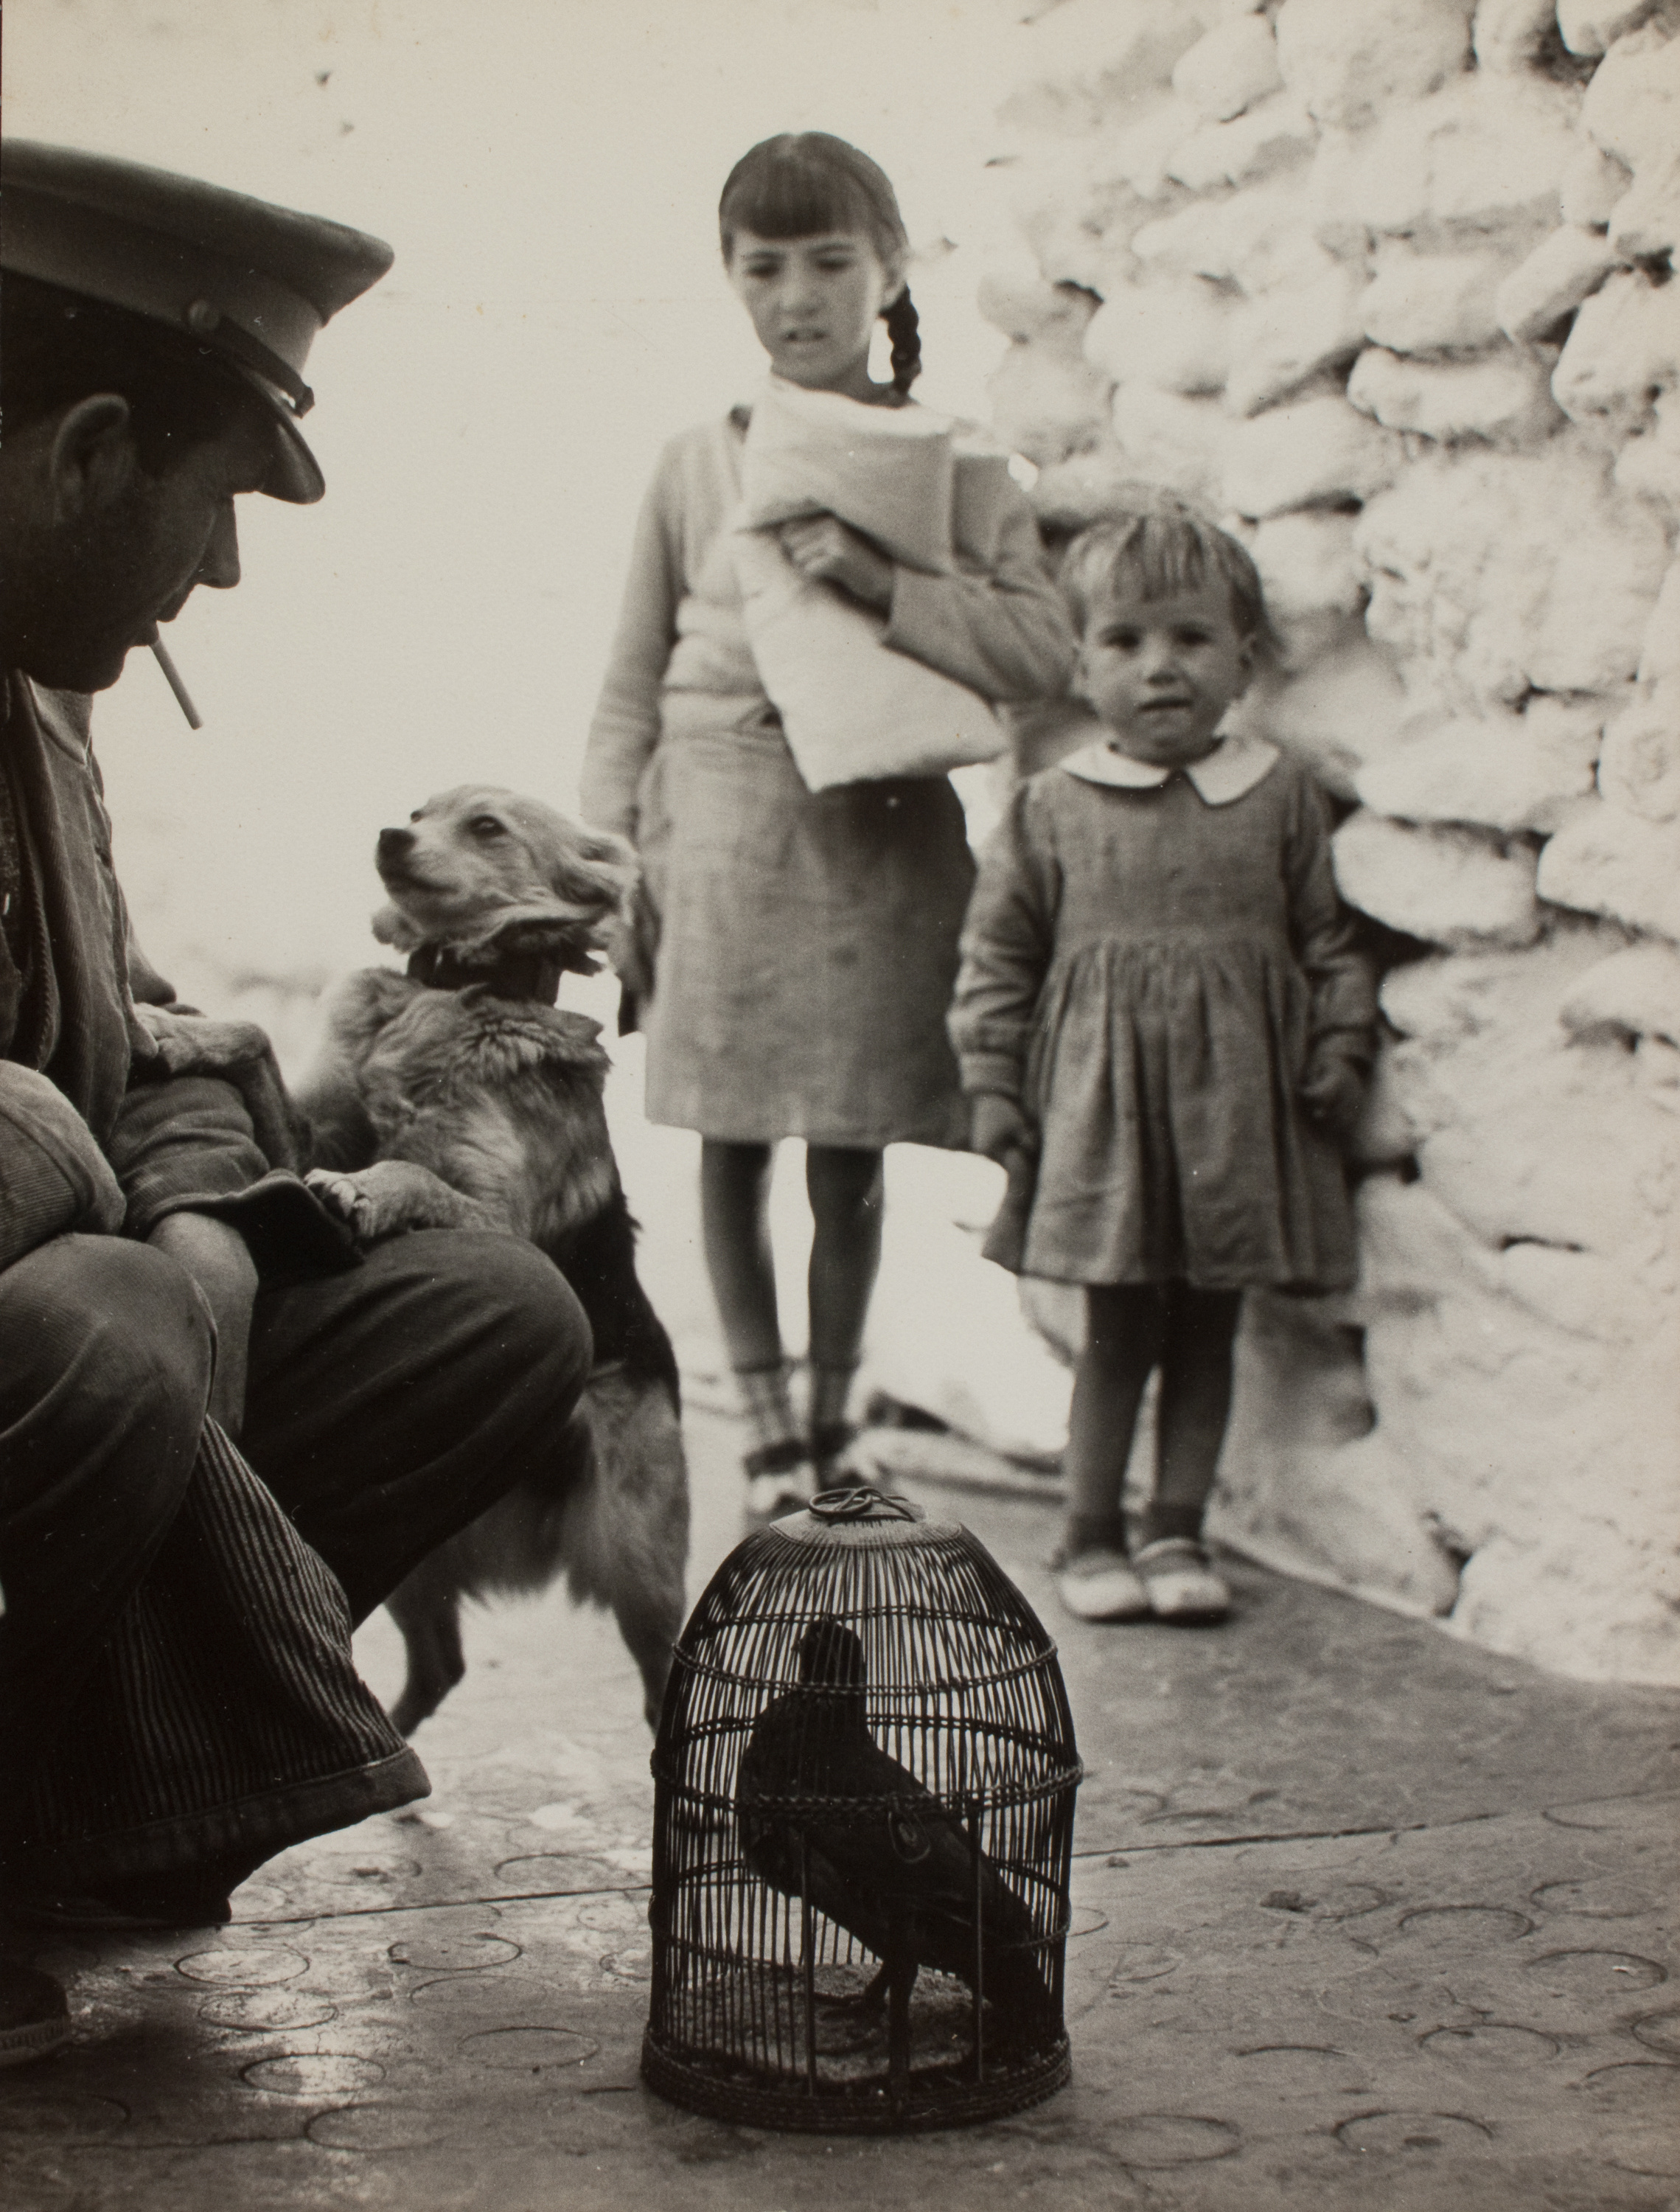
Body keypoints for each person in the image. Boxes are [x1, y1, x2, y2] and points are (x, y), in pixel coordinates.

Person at [0, 139, 595, 1982]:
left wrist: (207, 1216)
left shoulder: (40, 697)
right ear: (90, 451)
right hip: (45, 1317)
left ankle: (81, 1800)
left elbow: (137, 1020)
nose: (224, 568)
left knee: (499, 1312)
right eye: (215, 503)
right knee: (106, 1329)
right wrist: (100, 1208)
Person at [582, 131, 1074, 1519]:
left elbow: (1039, 653)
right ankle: (765, 1428)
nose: (797, 297)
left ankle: (835, 1420)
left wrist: (876, 579)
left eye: (830, 262)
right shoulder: (698, 463)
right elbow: (630, 682)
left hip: (877, 829)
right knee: (732, 1135)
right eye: (764, 267)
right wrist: (612, 864)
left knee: (850, 1142)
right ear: (731, 277)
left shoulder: (958, 462)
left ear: (891, 270)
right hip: (718, 827)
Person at [950, 498, 1376, 1626]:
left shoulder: (1278, 798)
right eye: (1126, 641)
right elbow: (999, 957)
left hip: (1235, 1118)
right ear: (1083, 665)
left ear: (1245, 659)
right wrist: (993, 1083)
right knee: (1120, 1329)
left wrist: (1340, 1046)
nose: (1161, 667)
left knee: (1209, 1325)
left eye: (1193, 638)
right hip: (1107, 1119)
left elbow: (1327, 941)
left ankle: (1179, 1527)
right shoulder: (1052, 809)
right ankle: (1091, 1530)